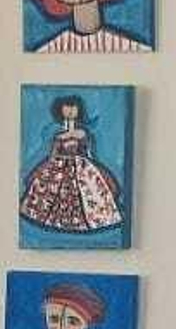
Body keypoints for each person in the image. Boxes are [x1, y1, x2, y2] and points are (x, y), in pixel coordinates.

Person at [19, 95, 124, 234]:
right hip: (59, 165)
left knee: (88, 192)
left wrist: (93, 168)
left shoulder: (82, 133)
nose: (70, 111)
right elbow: (53, 154)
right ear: (60, 111)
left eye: (73, 108)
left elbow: (88, 152)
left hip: (81, 165)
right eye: (67, 108)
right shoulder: (58, 136)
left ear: (78, 110)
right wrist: (49, 168)